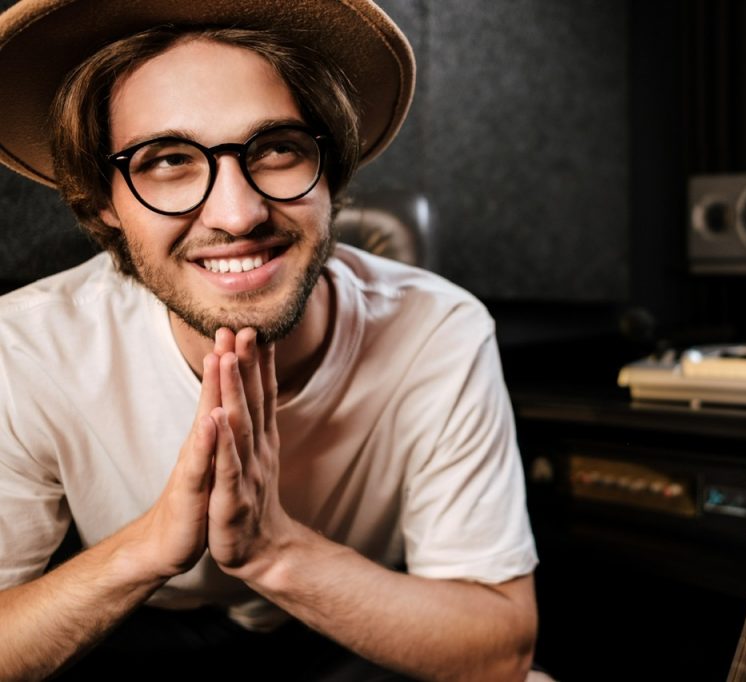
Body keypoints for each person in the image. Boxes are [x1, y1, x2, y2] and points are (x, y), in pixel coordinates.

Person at [0, 1, 540, 679]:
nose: (237, 213)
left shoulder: (437, 332)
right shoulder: (27, 347)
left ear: (330, 167)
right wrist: (148, 548)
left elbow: (501, 647)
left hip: (357, 630)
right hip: (128, 636)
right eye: (168, 159)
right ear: (104, 199)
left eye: (277, 148)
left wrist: (273, 552)